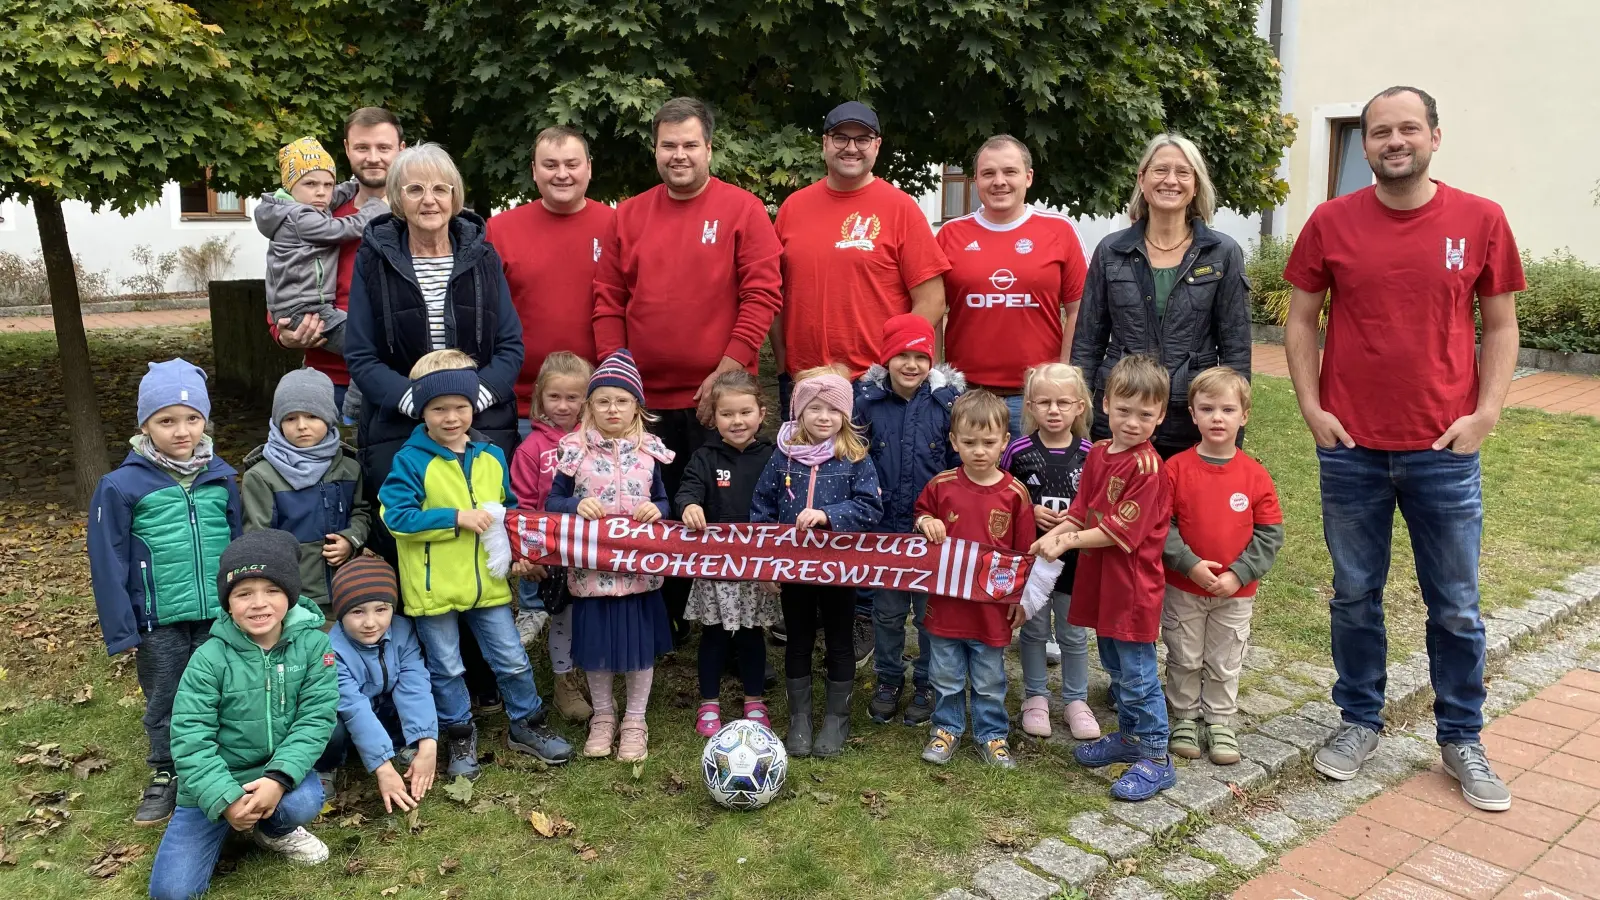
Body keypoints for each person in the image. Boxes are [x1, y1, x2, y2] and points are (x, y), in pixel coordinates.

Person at [1283, 86, 1525, 811]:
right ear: (1365, 145)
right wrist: (1310, 406)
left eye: (1408, 128)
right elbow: (1300, 319)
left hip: (1444, 448)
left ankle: (1461, 737)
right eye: (1380, 131)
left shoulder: (1481, 219)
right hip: (1350, 444)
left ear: (1434, 137)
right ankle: (1359, 721)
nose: (1394, 140)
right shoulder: (1330, 221)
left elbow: (1502, 325)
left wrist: (1485, 414)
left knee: (1455, 604)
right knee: (1355, 595)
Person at [592, 96, 783, 645]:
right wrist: (617, 376)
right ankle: (666, 621)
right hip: (644, 399)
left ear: (709, 148)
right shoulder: (627, 214)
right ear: (655, 148)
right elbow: (607, 300)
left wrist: (727, 371)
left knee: (722, 510)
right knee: (656, 505)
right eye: (668, 145)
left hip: (717, 399)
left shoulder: (743, 209)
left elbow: (762, 291)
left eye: (689, 145)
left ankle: (731, 628)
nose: (679, 155)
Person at [344, 141, 524, 711]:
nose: (429, 199)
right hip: (400, 427)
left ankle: (486, 676)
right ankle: (423, 688)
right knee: (421, 549)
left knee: (482, 542)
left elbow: (509, 345)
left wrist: (477, 400)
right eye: (415, 188)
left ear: (455, 196)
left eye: (440, 188)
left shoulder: (482, 255)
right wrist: (416, 404)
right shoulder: (375, 259)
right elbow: (362, 355)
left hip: (481, 424)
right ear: (397, 198)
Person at [771, 100, 950, 662]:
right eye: (840, 137)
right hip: (803, 385)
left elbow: (931, 298)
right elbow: (775, 296)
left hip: (870, 386)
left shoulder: (898, 210)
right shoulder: (794, 208)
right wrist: (784, 363)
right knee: (802, 492)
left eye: (862, 138)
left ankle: (866, 611)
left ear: (877, 145)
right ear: (823, 143)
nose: (851, 147)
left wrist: (898, 367)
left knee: (864, 499)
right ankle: (806, 604)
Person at [379, 350, 571, 780]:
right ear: (422, 412)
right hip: (434, 588)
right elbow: (396, 518)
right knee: (446, 666)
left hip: (487, 582)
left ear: (474, 407)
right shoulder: (410, 461)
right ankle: (459, 734)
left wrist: (520, 552)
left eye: (460, 407)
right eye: (438, 408)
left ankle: (527, 724)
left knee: (512, 657)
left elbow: (507, 509)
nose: (451, 417)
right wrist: (454, 518)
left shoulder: (491, 455)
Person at [88, 359, 243, 827]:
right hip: (158, 618)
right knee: (166, 695)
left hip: (217, 611)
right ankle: (166, 769)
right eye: (167, 421)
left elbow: (238, 545)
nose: (182, 431)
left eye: (192, 419)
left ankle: (218, 760)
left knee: (220, 688)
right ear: (145, 425)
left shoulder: (221, 477)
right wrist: (122, 629)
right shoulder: (121, 486)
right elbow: (106, 558)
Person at [147, 530, 337, 900]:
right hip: (212, 784)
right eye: (243, 593)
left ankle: (273, 830)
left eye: (272, 590)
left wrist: (278, 779)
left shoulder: (315, 645)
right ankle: (227, 821)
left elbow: (316, 718)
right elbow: (190, 738)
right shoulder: (208, 659)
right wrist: (225, 798)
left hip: (274, 774)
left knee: (304, 801)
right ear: (228, 603)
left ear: (290, 595)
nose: (258, 604)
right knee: (171, 893)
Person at [1033, 355, 1175, 801]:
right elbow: (1081, 508)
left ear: (1161, 415)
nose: (1133, 423)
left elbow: (1118, 531)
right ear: (1105, 403)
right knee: (1113, 665)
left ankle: (1156, 755)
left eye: (1145, 415)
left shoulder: (1149, 470)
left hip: (1131, 589)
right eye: (1125, 410)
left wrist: (1068, 543)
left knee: (1136, 671)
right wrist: (1052, 536)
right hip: (1102, 584)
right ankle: (1130, 738)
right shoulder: (1097, 452)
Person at [1071, 134, 1252, 459]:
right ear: (1142, 179)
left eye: (1183, 172)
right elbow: (1087, 344)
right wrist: (1078, 418)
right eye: (1160, 170)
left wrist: (1232, 435)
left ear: (1195, 185)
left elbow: (1236, 352)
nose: (1171, 180)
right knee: (1115, 507)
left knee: (1187, 510)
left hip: (1191, 416)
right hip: (1120, 413)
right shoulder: (1111, 252)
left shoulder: (1222, 253)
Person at [545, 350, 678, 762]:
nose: (612, 409)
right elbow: (552, 501)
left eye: (621, 400)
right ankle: (604, 716)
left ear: (636, 405)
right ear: (590, 406)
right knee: (598, 649)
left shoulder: (651, 451)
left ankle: (635, 720)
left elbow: (663, 501)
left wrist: (659, 510)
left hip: (638, 572)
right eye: (603, 401)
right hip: (591, 572)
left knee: (639, 650)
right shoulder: (573, 450)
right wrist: (573, 506)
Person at [751, 366, 883, 758]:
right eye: (815, 408)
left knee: (840, 639)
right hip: (794, 570)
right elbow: (761, 509)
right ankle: (800, 718)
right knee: (798, 638)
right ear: (799, 412)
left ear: (845, 416)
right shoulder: (782, 457)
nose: (824, 416)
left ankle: (836, 718)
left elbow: (871, 507)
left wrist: (829, 515)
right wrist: (766, 565)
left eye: (833, 410)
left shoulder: (855, 457)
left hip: (839, 569)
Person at [1161, 367, 1283, 765]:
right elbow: (1163, 526)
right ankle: (1183, 715)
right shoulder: (1176, 469)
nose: (1217, 417)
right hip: (1184, 587)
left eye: (1227, 409)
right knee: (1184, 654)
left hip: (1235, 593)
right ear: (1192, 415)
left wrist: (1238, 574)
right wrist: (1190, 564)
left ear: (1243, 416)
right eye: (1207, 408)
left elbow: (1269, 534)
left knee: (1225, 657)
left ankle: (1219, 720)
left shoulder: (1255, 475)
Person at [913, 391, 1036, 769]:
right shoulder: (941, 486)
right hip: (947, 606)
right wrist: (925, 522)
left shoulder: (1015, 494)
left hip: (991, 609)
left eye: (988, 442)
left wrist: (1021, 600)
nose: (979, 451)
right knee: (945, 673)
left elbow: (1026, 554)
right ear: (954, 441)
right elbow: (919, 514)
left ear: (1004, 441)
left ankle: (992, 735)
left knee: (989, 679)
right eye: (969, 442)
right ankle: (946, 728)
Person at [937, 135, 1087, 437]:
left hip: (1038, 399)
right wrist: (938, 376)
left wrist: (1063, 378)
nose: (999, 182)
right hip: (968, 394)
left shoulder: (1059, 231)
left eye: (1010, 172)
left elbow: (1079, 310)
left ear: (1028, 177)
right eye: (988, 173)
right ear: (976, 179)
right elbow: (931, 312)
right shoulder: (950, 234)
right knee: (972, 483)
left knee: (1037, 484)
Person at [854, 313, 963, 727]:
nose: (912, 365)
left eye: (921, 356)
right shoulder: (865, 401)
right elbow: (853, 457)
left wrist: (945, 516)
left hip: (932, 532)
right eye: (902, 355)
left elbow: (958, 468)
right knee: (885, 611)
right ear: (887, 358)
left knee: (931, 613)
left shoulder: (946, 404)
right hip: (884, 531)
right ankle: (887, 677)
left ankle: (928, 681)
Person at [273, 108, 406, 421]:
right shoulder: (315, 212)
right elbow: (284, 275)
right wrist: (281, 334)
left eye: (383, 148)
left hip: (400, 381)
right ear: (347, 149)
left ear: (401, 150)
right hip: (327, 383)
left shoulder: (424, 211)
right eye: (362, 147)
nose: (373, 157)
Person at [676, 371, 780, 736]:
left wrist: (774, 565)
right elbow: (686, 490)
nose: (736, 421)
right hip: (714, 566)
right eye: (727, 414)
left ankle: (754, 701)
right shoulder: (705, 457)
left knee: (752, 635)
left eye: (745, 412)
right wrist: (689, 505)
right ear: (713, 417)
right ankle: (709, 703)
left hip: (757, 568)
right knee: (715, 635)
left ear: (761, 413)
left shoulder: (774, 456)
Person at [486, 126, 613, 421]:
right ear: (534, 171)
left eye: (571, 164)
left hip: (598, 405)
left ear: (589, 168)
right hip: (519, 405)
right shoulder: (500, 230)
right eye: (550, 165)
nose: (562, 174)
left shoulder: (617, 225)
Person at [1001, 363, 1099, 741]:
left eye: (1063, 402)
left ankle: (1076, 699)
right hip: (1034, 560)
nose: (1054, 410)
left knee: (1074, 633)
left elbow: (1096, 505)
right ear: (1029, 406)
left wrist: (1074, 521)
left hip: (1076, 560)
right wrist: (1029, 511)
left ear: (1080, 406)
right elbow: (1003, 495)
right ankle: (1035, 697)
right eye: (1044, 402)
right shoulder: (1017, 450)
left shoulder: (1092, 454)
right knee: (1034, 630)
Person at [508, 351, 594, 721]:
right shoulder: (532, 449)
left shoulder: (598, 439)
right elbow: (522, 505)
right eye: (554, 396)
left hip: (593, 549)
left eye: (573, 398)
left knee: (592, 613)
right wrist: (529, 555)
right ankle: (564, 683)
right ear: (539, 396)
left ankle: (594, 674)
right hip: (554, 553)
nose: (563, 406)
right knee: (563, 616)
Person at [240, 367, 371, 611]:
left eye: (312, 416)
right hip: (293, 599)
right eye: (290, 418)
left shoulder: (350, 467)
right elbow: (258, 539)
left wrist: (350, 539)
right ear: (277, 423)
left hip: (347, 589)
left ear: (330, 417)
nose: (302, 426)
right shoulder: (261, 476)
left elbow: (362, 512)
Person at [314, 556, 438, 812]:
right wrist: (383, 768)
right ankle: (326, 766)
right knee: (329, 727)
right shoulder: (331, 649)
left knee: (414, 695)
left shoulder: (402, 630)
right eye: (357, 611)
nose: (371, 623)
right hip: (348, 712)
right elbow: (354, 707)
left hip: (382, 703)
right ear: (340, 613)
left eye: (381, 610)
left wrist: (428, 744)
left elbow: (413, 685)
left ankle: (399, 744)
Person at [255, 137, 388, 355]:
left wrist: (357, 183)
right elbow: (346, 228)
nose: (321, 192)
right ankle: (358, 390)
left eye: (328, 184)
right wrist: (377, 204)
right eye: (310, 184)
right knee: (365, 345)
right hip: (304, 310)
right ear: (290, 187)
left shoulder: (301, 203)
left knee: (366, 344)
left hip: (305, 306)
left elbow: (335, 194)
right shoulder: (299, 217)